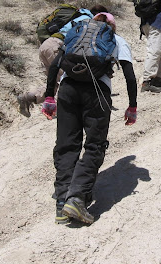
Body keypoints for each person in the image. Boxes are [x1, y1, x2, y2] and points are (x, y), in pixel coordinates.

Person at [42, 12, 138, 225]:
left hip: (68, 89)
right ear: (112, 26)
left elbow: (56, 65)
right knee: (95, 145)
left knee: (67, 144)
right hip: (97, 91)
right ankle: (76, 198)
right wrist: (132, 106)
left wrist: (49, 97)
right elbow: (130, 76)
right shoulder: (117, 40)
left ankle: (62, 201)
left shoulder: (77, 34)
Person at [17, 5, 108, 117]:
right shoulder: (87, 20)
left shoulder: (79, 16)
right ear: (99, 15)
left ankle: (28, 97)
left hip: (46, 45)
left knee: (53, 83)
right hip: (56, 46)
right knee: (67, 79)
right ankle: (60, 110)